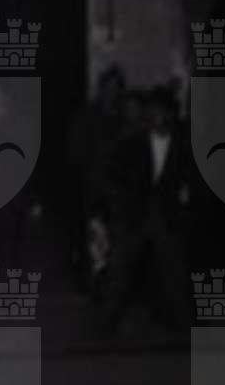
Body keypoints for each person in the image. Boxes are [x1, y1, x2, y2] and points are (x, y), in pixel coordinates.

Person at [99, 85, 191, 335]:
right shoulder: (132, 142)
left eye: (163, 112)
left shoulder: (183, 144)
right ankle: (106, 324)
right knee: (121, 270)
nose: (158, 116)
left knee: (174, 270)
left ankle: (183, 325)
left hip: (166, 217)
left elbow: (191, 178)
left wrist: (183, 201)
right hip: (134, 216)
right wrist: (122, 203)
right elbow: (110, 174)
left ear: (171, 114)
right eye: (154, 111)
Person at [66, 64, 128, 290]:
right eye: (108, 88)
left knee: (118, 241)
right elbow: (76, 153)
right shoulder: (88, 117)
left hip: (121, 192)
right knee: (95, 240)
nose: (112, 93)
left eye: (116, 89)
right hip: (95, 189)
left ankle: (110, 285)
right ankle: (95, 284)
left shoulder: (124, 117)